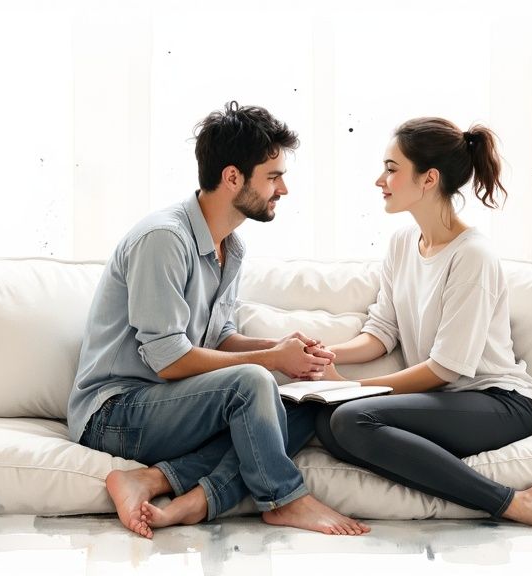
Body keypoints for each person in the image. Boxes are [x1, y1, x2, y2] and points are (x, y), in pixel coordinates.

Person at [68, 101, 370, 539]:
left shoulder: (231, 247)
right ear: (233, 177)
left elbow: (220, 337)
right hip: (116, 413)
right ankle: (286, 500)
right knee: (253, 383)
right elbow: (170, 361)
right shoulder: (164, 239)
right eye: (273, 176)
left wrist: (286, 352)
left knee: (304, 402)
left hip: (172, 404)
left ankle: (168, 486)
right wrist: (269, 361)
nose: (282, 189)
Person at [313, 117, 532, 534]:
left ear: (428, 179)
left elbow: (445, 369)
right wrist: (326, 354)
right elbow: (382, 331)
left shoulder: (472, 256)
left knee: (348, 418)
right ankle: (487, 496)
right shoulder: (402, 244)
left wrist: (346, 387)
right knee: (326, 423)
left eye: (391, 168)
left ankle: (511, 502)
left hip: (499, 402)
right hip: (448, 402)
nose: (380, 180)